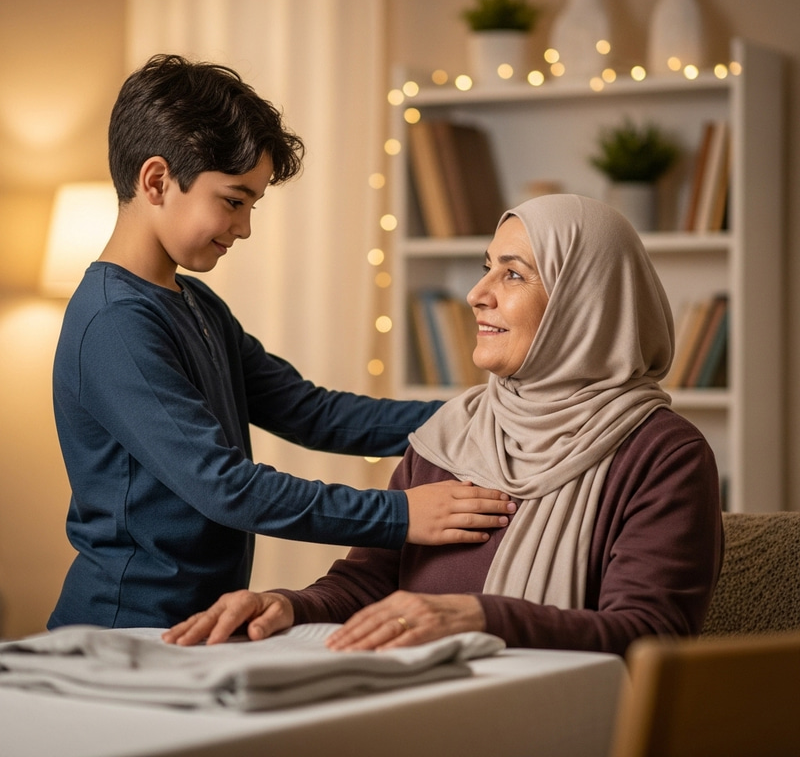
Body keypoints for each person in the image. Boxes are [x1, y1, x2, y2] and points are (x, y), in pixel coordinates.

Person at [47, 54, 516, 632]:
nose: (243, 228)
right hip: (122, 630)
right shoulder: (115, 323)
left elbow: (313, 413)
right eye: (234, 201)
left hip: (194, 625)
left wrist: (475, 415)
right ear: (157, 181)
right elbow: (225, 487)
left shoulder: (196, 304)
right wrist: (399, 515)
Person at [164, 194, 725, 657]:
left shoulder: (663, 454)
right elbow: (367, 583)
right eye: (487, 269)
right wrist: (290, 604)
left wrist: (481, 617)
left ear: (584, 304)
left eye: (513, 275)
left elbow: (650, 636)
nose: (477, 295)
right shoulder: (453, 432)